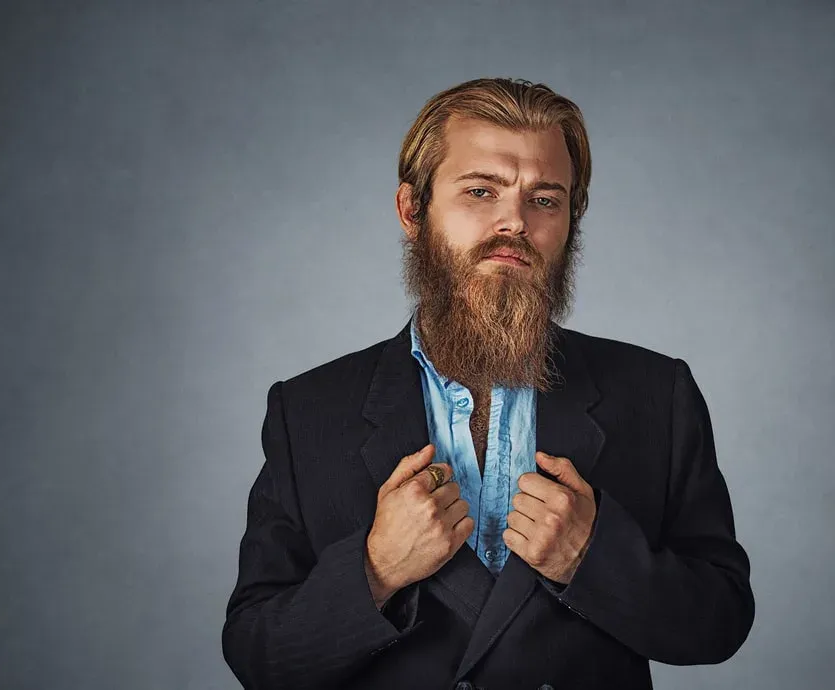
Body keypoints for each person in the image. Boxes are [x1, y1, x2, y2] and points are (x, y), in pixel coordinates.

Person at [221, 77, 755, 690]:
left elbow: (721, 622)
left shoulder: (658, 394)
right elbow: (257, 654)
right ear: (411, 211)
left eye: (546, 199)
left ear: (571, 222)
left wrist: (593, 560)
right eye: (481, 191)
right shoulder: (307, 410)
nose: (515, 222)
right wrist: (373, 572)